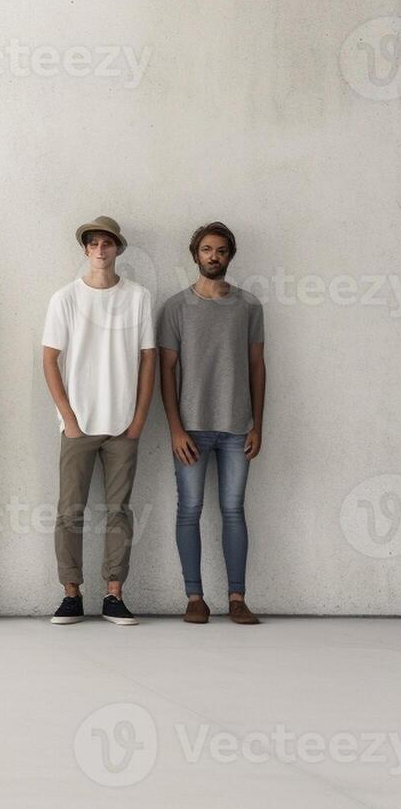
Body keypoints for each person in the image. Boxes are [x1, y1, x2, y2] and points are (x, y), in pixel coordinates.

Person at [42, 217, 155, 627]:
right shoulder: (65, 299)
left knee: (118, 511)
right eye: (94, 243)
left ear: (117, 249)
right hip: (79, 424)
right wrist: (69, 418)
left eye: (108, 243)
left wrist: (139, 418)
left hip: (124, 424)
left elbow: (148, 360)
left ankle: (113, 595)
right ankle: (70, 594)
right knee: (69, 511)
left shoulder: (138, 297)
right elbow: (49, 359)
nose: (101, 250)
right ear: (86, 250)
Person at [158, 221, 266, 625]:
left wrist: (258, 424)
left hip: (238, 427)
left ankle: (237, 598)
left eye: (220, 250)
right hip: (191, 428)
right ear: (195, 255)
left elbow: (257, 367)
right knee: (189, 509)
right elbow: (166, 372)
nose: (213, 256)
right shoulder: (174, 308)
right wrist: (174, 428)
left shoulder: (249, 306)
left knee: (234, 510)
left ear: (230, 255)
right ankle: (195, 598)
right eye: (206, 249)